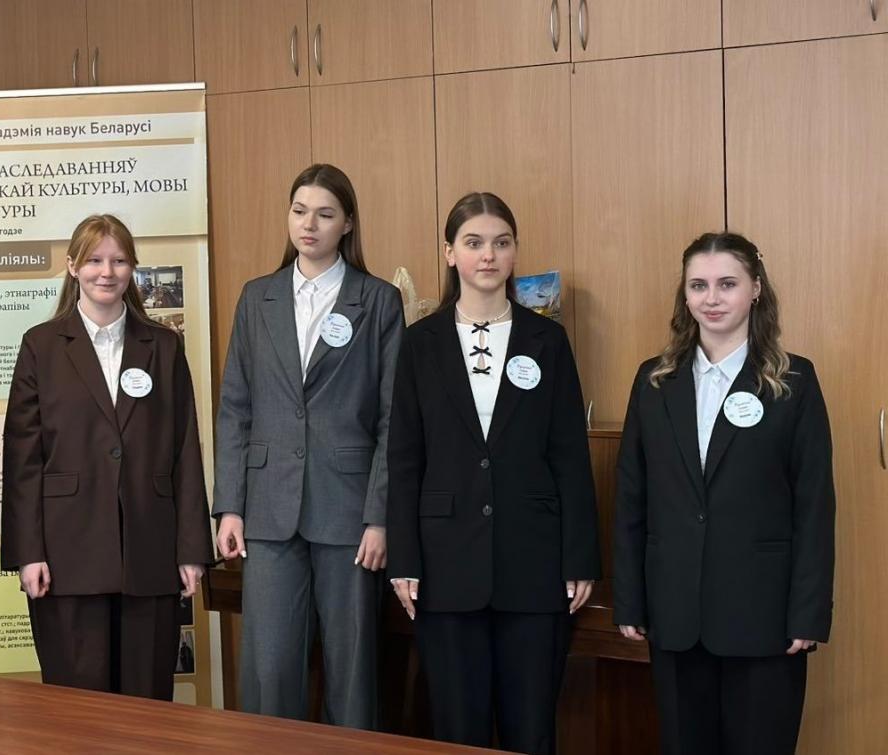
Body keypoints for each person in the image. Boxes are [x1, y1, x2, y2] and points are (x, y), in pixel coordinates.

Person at [387, 192, 600, 752]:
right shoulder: (419, 343)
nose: (488, 255)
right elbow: (404, 458)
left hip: (533, 565)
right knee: (458, 732)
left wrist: (580, 557)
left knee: (532, 729)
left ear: (514, 252)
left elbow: (570, 455)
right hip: (445, 566)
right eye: (474, 243)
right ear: (450, 253)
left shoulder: (547, 340)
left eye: (501, 243)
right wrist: (404, 559)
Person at [613, 232, 835, 755]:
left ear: (755, 289)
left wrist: (808, 613)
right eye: (698, 285)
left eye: (727, 284)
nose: (711, 298)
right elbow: (631, 497)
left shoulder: (794, 381)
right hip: (674, 613)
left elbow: (814, 506)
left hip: (764, 617)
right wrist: (630, 600)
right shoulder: (653, 381)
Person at [213, 163, 404, 728]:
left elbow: (394, 419)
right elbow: (235, 408)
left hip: (349, 513)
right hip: (268, 510)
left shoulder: (378, 300)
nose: (309, 225)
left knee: (352, 672)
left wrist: (380, 516)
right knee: (268, 671)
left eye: (324, 214)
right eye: (299, 211)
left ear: (348, 223)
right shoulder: (257, 298)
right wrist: (230, 506)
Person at [1, 213, 212, 700]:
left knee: (145, 702)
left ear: (132, 268)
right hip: (67, 555)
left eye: (119, 261)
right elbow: (23, 461)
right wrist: (28, 553)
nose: (107, 272)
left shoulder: (163, 345)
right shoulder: (41, 346)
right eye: (95, 260)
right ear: (73, 266)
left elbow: (184, 449)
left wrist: (191, 549)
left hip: (150, 551)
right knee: (77, 706)